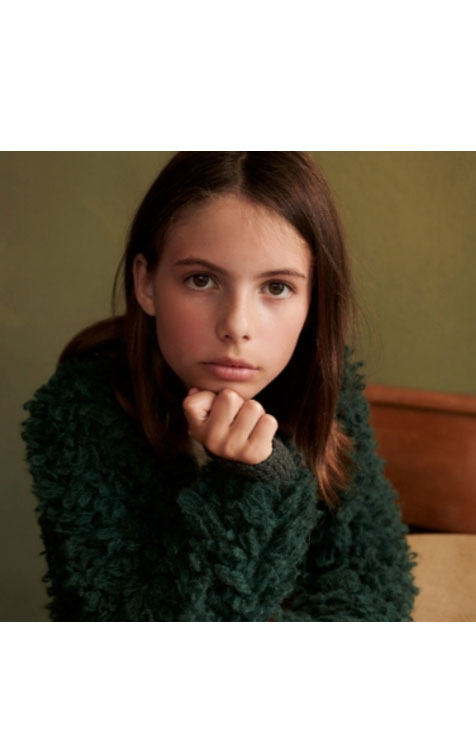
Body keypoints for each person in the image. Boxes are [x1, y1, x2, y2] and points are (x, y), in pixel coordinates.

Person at [22, 152, 418, 621]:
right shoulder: (81, 411)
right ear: (146, 283)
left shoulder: (327, 391)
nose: (237, 326)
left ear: (314, 300)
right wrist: (250, 479)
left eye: (276, 287)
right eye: (201, 280)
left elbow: (377, 594)